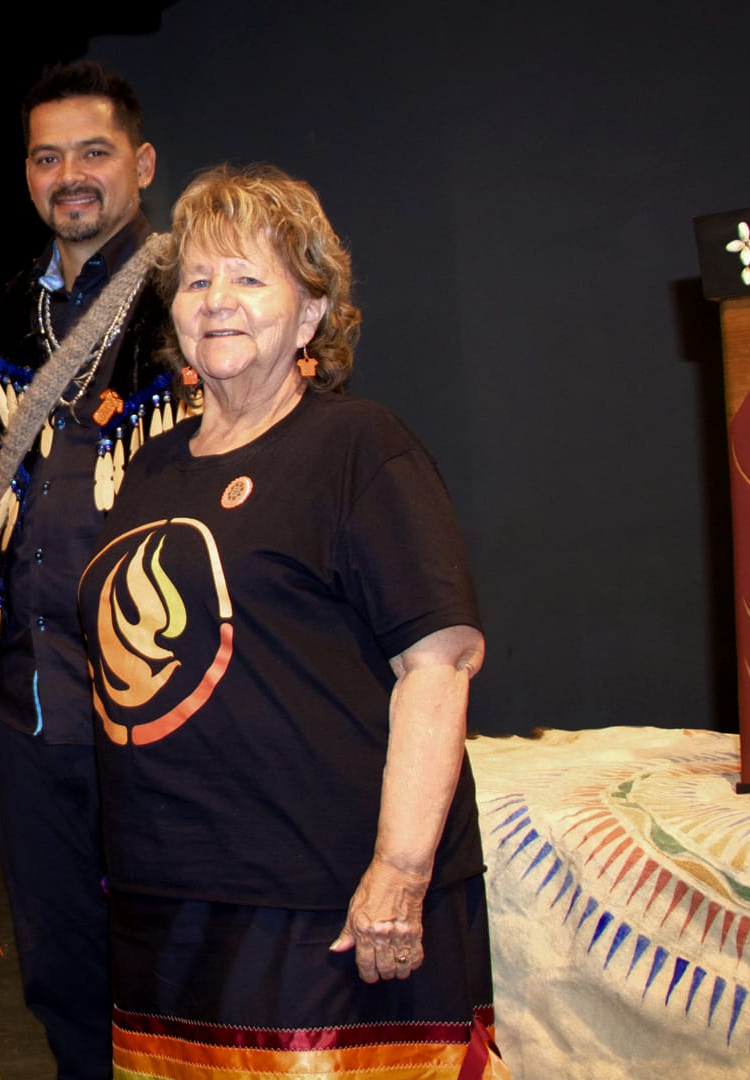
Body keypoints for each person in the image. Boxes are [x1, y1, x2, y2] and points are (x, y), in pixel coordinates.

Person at [78, 164, 509, 1078]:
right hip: (166, 911)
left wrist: (399, 871)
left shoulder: (359, 447)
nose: (215, 300)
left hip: (324, 916)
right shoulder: (148, 471)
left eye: (247, 276)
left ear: (311, 312)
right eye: (196, 280)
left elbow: (436, 666)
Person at [0, 60, 182, 1078]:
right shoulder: (8, 312)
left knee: (175, 962)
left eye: (92, 152)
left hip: (162, 701)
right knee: (58, 963)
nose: (70, 175)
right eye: (47, 155)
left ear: (140, 163)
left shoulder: (194, 295)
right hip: (31, 703)